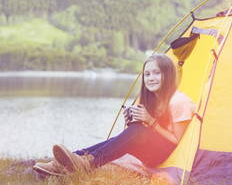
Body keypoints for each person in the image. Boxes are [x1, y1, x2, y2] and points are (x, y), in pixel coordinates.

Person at [33, 53, 195, 177]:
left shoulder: (179, 102)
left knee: (138, 131)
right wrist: (133, 122)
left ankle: (86, 163)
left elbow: (177, 144)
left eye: (156, 73)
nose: (151, 78)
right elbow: (146, 134)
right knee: (133, 131)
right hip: (151, 150)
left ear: (168, 75)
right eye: (147, 74)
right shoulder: (153, 99)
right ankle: (69, 161)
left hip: (168, 156)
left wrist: (149, 121)